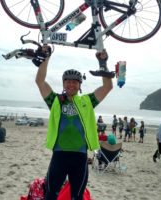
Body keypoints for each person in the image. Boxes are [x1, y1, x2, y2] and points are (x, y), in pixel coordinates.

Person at [35, 46, 112, 200]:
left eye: (74, 82)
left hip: (80, 156)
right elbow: (40, 81)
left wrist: (103, 63)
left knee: (77, 196)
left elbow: (107, 86)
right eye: (68, 82)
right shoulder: (55, 100)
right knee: (50, 195)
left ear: (79, 85)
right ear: (63, 84)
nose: (71, 85)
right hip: (59, 155)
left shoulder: (87, 101)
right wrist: (46, 58)